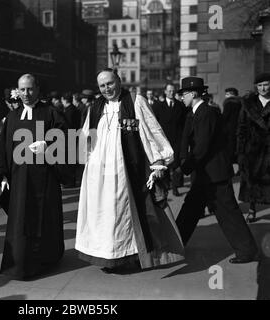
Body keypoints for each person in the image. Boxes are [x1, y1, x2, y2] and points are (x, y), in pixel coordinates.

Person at [76, 69, 185, 273]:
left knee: (124, 215)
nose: (107, 89)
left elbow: (152, 130)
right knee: (103, 215)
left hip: (126, 169)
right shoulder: (95, 107)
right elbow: (86, 137)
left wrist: (159, 160)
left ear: (118, 81)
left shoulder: (135, 101)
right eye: (102, 86)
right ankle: (108, 257)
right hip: (99, 174)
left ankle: (129, 257)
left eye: (110, 83)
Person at [175, 77, 258, 264]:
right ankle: (174, 246)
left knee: (228, 213)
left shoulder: (207, 113)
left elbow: (202, 146)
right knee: (190, 210)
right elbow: (188, 142)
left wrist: (184, 168)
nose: (181, 98)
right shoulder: (196, 113)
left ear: (194, 94)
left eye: (184, 94)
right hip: (206, 174)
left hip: (215, 174)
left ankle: (247, 251)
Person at [0, 74, 66, 280]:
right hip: (20, 180)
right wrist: (4, 175)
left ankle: (46, 260)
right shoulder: (13, 117)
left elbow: (67, 138)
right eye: (22, 90)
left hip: (45, 180)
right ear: (18, 90)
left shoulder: (51, 113)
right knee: (21, 222)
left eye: (30, 89)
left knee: (44, 220)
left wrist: (48, 144)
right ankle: (20, 265)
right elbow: (3, 148)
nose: (26, 93)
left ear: (37, 89)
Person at [237, 73, 270, 223]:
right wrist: (240, 151)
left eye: (266, 84)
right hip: (253, 149)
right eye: (260, 85)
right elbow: (241, 128)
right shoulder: (247, 104)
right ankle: (252, 209)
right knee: (252, 180)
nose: (263, 88)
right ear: (256, 87)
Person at [152, 83, 187, 196]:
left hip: (177, 139)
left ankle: (175, 186)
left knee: (176, 164)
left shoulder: (181, 106)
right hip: (163, 140)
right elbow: (154, 124)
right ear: (165, 92)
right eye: (169, 91)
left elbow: (184, 123)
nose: (172, 93)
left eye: (173, 91)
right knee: (166, 164)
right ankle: (166, 185)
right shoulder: (158, 106)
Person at [222, 87, 242, 165]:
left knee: (230, 148)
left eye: (227, 94)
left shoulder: (229, 103)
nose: (225, 96)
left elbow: (225, 116)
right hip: (239, 127)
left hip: (229, 129)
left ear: (231, 95)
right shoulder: (241, 102)